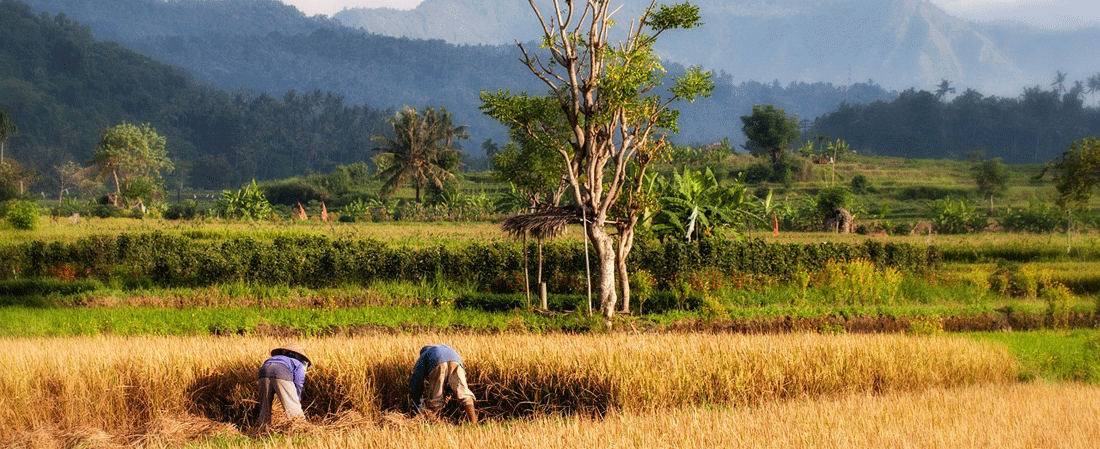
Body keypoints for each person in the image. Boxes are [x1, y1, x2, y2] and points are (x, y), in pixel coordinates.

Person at [409, 344, 477, 424]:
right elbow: (457, 381)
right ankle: (473, 422)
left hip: (437, 362)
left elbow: (416, 385)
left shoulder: (423, 357)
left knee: (436, 397)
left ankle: (437, 424)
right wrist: (449, 393)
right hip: (456, 361)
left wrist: (417, 409)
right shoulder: (439, 349)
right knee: (464, 393)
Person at [256, 342, 311, 427]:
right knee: (292, 405)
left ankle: (263, 428)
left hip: (264, 370)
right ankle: (301, 427)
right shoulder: (298, 363)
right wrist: (297, 397)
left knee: (264, 405)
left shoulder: (274, 358)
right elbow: (299, 382)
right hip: (281, 371)